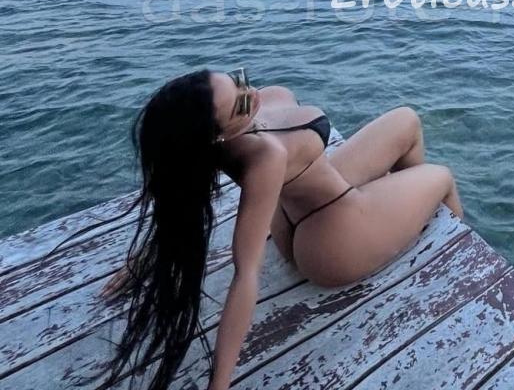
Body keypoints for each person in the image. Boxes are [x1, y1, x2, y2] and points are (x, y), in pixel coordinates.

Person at [98, 68, 463, 390]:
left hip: (315, 198)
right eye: (240, 106)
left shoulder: (229, 132)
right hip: (333, 242)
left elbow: (176, 195)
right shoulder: (263, 157)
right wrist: (219, 384)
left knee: (407, 120)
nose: (251, 95)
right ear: (218, 137)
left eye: (239, 81)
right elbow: (245, 275)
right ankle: (449, 263)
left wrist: (142, 260)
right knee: (442, 177)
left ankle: (404, 218)